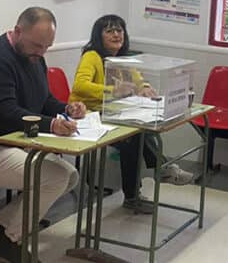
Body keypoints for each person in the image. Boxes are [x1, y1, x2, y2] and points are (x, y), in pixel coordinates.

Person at [0, 7, 83, 263]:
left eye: (47, 47)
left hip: (6, 144)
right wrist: (52, 125)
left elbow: (44, 100)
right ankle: (12, 242)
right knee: (55, 177)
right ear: (18, 31)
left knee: (70, 177)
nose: (41, 53)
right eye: (37, 45)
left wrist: (66, 109)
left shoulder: (33, 57)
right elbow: (3, 112)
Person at [69, 14, 194, 214]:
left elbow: (138, 79)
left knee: (140, 130)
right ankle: (147, 183)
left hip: (113, 112)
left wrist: (145, 87)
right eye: (109, 31)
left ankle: (157, 174)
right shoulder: (91, 56)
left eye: (119, 30)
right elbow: (80, 86)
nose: (116, 35)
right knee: (133, 139)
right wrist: (113, 90)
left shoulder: (123, 58)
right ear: (98, 36)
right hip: (89, 115)